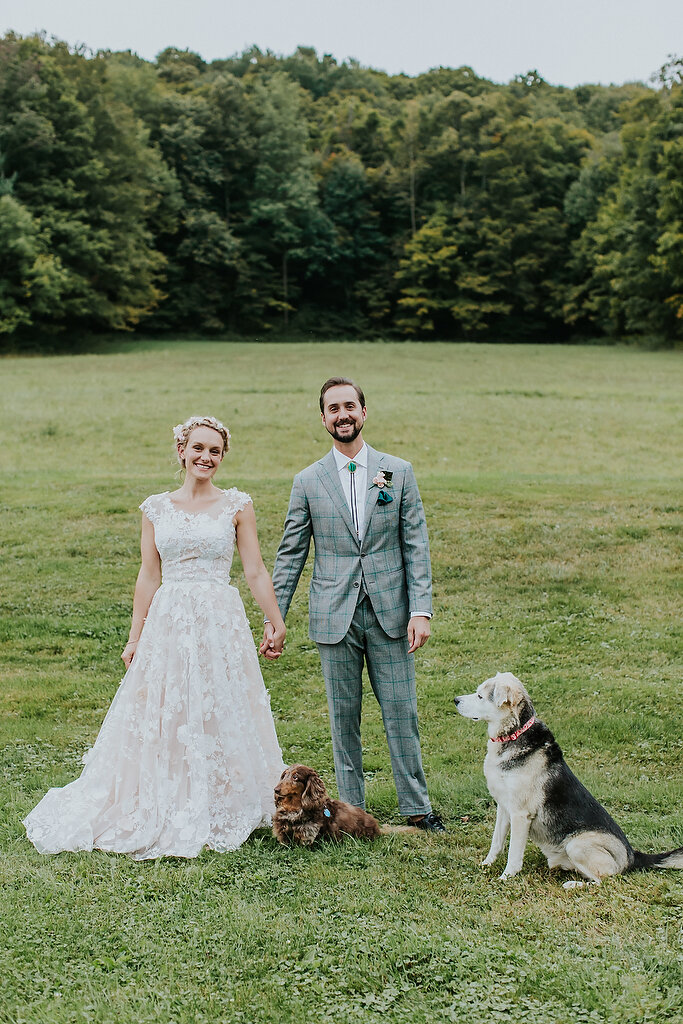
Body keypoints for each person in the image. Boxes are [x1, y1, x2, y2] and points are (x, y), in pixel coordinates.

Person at [24, 416, 286, 859]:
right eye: (198, 448)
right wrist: (134, 636)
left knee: (220, 702)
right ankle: (166, 792)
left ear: (223, 457)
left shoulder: (238, 505)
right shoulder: (156, 508)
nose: (206, 457)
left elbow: (255, 569)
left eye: (215, 451)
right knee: (168, 706)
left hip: (219, 617)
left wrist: (275, 620)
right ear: (182, 451)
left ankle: (220, 795)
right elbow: (148, 575)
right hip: (170, 618)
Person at [265, 378, 445, 832]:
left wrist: (420, 609)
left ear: (363, 412)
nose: (342, 414)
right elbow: (291, 553)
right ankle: (351, 815)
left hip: (391, 613)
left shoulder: (397, 471)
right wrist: (275, 616)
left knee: (401, 712)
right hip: (333, 613)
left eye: (350, 406)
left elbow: (415, 544)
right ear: (323, 418)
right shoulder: (307, 481)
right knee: (343, 718)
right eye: (332, 408)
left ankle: (418, 810)